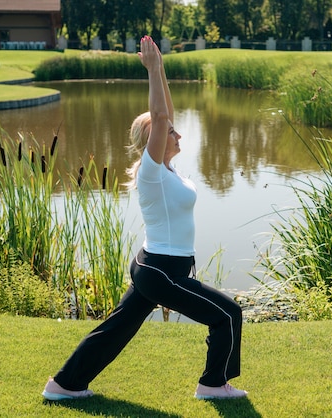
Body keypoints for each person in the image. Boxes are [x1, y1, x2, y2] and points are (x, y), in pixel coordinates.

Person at [42, 35, 247, 401]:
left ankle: (64, 384)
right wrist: (152, 70)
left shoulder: (166, 169)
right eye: (170, 131)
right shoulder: (151, 172)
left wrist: (162, 68)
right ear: (154, 139)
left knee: (117, 328)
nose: (177, 132)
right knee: (227, 314)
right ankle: (213, 385)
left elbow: (165, 111)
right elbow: (161, 114)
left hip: (156, 265)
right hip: (161, 271)